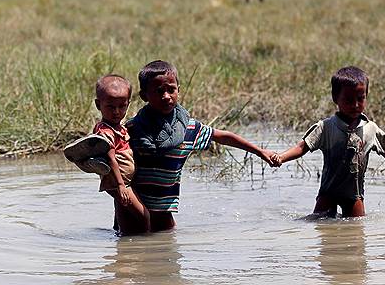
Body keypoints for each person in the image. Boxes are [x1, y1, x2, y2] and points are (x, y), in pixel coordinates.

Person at [127, 60, 276, 232]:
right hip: (134, 211)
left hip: (164, 213)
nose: (166, 96)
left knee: (167, 250)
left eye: (171, 90)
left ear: (178, 90)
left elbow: (225, 137)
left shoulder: (188, 129)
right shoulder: (135, 129)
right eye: (159, 91)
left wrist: (260, 151)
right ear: (144, 96)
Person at [271, 66, 385, 217]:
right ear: (335, 98)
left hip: (354, 195)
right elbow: (302, 147)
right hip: (328, 192)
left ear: (366, 96)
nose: (355, 105)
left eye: (360, 99)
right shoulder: (326, 127)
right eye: (348, 100)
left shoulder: (370, 129)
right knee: (319, 225)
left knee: (356, 230)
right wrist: (281, 157)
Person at [63, 74, 150, 235]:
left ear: (128, 104)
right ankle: (145, 244)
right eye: (110, 107)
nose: (117, 112)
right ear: (98, 104)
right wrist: (120, 186)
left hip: (124, 182)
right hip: (119, 182)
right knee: (144, 217)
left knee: (124, 214)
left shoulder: (119, 127)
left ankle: (122, 241)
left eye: (122, 106)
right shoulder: (105, 131)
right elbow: (111, 159)